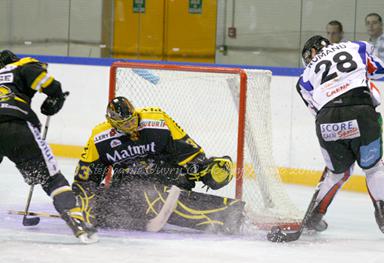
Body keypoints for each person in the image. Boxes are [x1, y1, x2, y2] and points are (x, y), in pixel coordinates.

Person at [72, 96, 245, 234]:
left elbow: (187, 150)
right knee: (119, 196)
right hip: (130, 182)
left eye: (132, 120)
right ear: (113, 123)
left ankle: (230, 214)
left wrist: (202, 168)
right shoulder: (100, 137)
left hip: (167, 173)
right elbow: (86, 176)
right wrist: (87, 201)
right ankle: (226, 215)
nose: (131, 125)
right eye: (125, 124)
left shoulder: (157, 120)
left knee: (146, 193)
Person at [296, 36, 384, 239]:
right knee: (373, 168)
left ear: (315, 51)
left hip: (326, 120)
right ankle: (382, 215)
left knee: (336, 173)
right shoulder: (355, 46)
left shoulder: (304, 77)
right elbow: (381, 70)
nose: (307, 60)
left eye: (308, 55)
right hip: (361, 110)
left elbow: (314, 109)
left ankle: (313, 217)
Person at [0, 50, 97, 243]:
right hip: (15, 124)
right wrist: (56, 96)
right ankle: (77, 222)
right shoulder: (21, 65)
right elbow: (47, 83)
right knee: (51, 179)